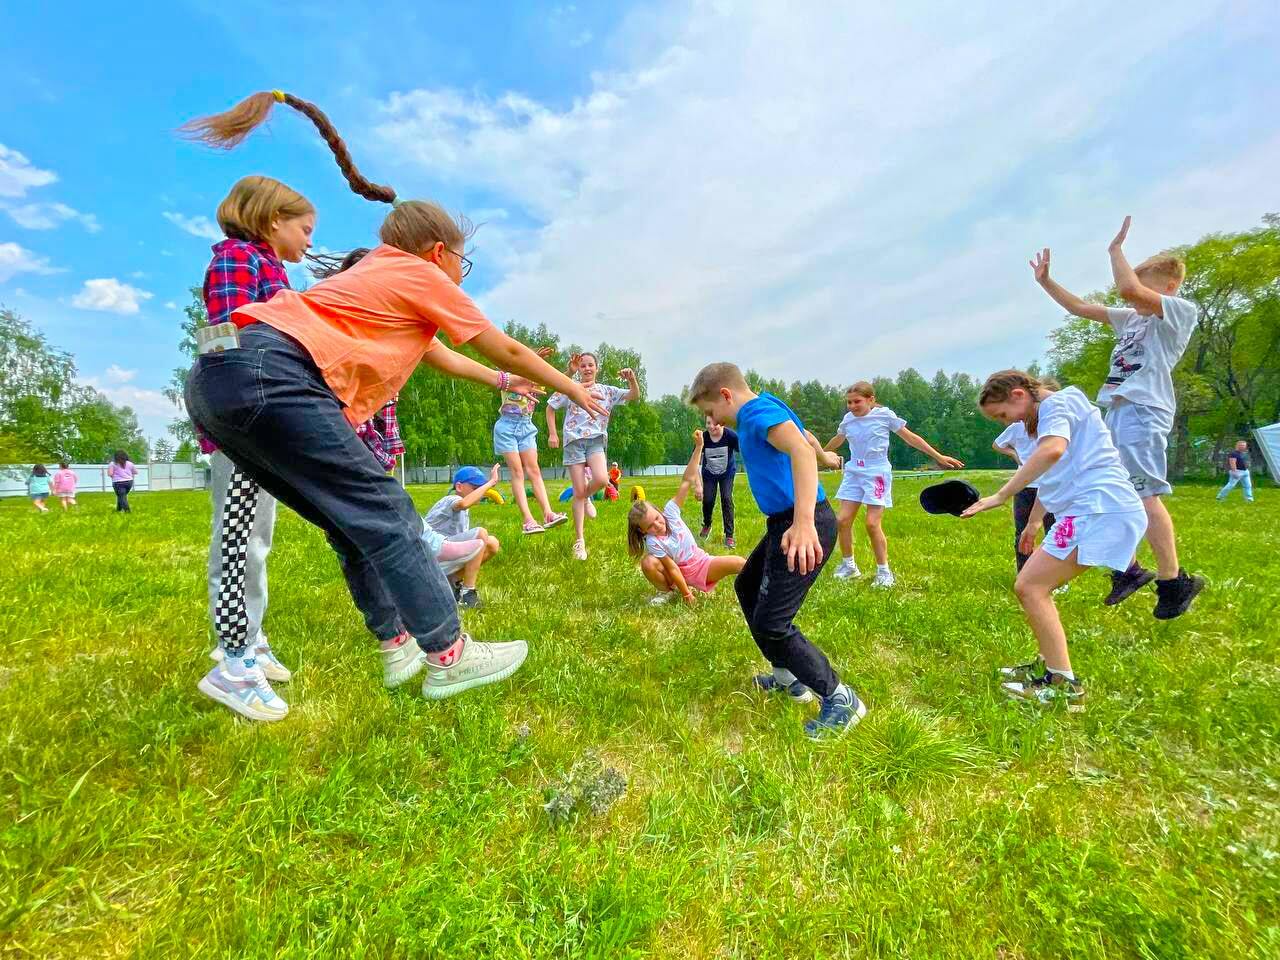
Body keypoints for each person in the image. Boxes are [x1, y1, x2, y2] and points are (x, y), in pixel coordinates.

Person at [181, 89, 607, 720]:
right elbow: (505, 346)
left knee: (348, 519)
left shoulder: (376, 277)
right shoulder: (419, 275)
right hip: (270, 373)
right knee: (388, 513)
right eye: (463, 260)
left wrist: (500, 385)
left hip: (215, 389)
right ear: (439, 253)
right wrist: (573, 387)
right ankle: (449, 654)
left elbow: (443, 356)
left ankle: (397, 645)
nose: (463, 273)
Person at [1030, 216, 1204, 619]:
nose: (1131, 299)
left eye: (1146, 288)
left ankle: (1173, 581)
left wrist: (1115, 251)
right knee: (1103, 485)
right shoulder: (1132, 318)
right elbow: (1078, 307)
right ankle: (1128, 570)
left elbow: (1128, 287)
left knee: (1143, 493)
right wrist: (1046, 282)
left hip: (1145, 409)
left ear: (1170, 287)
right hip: (1118, 409)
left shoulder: (1178, 313)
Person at [688, 361, 866, 739]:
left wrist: (802, 523)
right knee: (747, 587)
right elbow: (807, 439)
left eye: (710, 411)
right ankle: (789, 680)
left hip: (803, 524)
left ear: (725, 395)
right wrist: (826, 457)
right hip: (784, 523)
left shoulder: (755, 413)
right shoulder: (767, 405)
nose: (712, 420)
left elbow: (800, 450)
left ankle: (840, 697)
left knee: (773, 623)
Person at [963, 370, 1150, 710]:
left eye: (1003, 415)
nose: (1007, 423)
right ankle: (1048, 666)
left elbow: (1052, 452)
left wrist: (1003, 495)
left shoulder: (1057, 405)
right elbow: (1052, 475)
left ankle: (1064, 686)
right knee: (1031, 586)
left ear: (1019, 394)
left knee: (1030, 588)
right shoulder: (1057, 410)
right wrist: (1034, 522)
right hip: (1084, 512)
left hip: (1098, 509)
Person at [198, 173, 314, 698]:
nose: (310, 241)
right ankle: (232, 656)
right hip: (242, 419)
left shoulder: (271, 269)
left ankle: (252, 636)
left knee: (257, 539)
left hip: (264, 420)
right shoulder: (236, 260)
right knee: (238, 537)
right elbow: (228, 335)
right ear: (273, 221)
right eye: (305, 229)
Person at [822, 381, 963, 587]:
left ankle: (884, 572)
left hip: (876, 472)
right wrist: (820, 454)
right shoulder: (848, 419)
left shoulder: (884, 415)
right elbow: (838, 439)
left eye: (857, 401)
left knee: (872, 523)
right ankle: (849, 566)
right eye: (849, 402)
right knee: (842, 520)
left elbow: (911, 438)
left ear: (871, 400)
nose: (852, 406)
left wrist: (938, 456)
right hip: (854, 472)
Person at [628, 431, 746, 606]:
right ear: (642, 531)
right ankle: (667, 591)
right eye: (650, 526)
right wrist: (686, 595)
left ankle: (762, 588)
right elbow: (672, 567)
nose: (658, 525)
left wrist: (699, 447)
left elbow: (686, 480)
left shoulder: (671, 512)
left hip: (701, 563)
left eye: (657, 518)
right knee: (648, 563)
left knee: (739, 562)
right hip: (680, 572)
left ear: (659, 511)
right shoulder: (653, 542)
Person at [546, 352, 640, 560]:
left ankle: (586, 496)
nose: (587, 368)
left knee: (601, 479)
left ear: (597, 368)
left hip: (596, 441)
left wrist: (632, 379)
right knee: (579, 491)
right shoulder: (570, 389)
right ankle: (579, 542)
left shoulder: (607, 390)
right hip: (573, 443)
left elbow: (633, 396)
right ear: (578, 370)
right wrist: (553, 433)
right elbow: (550, 407)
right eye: (582, 366)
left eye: (590, 365)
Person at [492, 344, 567, 534]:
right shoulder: (510, 376)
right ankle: (528, 520)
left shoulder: (536, 378)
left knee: (534, 469)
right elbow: (503, 369)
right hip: (507, 427)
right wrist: (531, 356)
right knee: (517, 471)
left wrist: (571, 371)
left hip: (526, 426)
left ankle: (548, 514)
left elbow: (556, 382)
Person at [424, 465, 503, 609]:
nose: (482, 492)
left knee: (492, 543)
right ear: (459, 486)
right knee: (481, 534)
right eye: (476, 488)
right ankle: (467, 593)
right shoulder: (451, 499)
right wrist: (490, 483)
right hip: (430, 556)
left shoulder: (464, 513)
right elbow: (463, 503)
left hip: (445, 556)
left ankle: (452, 583)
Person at [992, 410, 1059, 574]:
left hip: (1051, 484)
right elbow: (997, 444)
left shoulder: (1053, 424)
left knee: (1054, 532)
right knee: (1022, 532)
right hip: (1024, 485)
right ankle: (1025, 572)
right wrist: (1014, 453)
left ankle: (1055, 576)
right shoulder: (1017, 427)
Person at [698, 415, 739, 547]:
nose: (711, 426)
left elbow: (744, 449)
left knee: (726, 499)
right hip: (709, 474)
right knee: (708, 499)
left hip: (726, 473)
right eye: (708, 423)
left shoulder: (731, 436)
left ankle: (729, 536)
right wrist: (697, 484)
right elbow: (695, 458)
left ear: (722, 423)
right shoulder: (703, 438)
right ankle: (707, 524)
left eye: (714, 423)